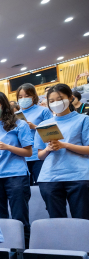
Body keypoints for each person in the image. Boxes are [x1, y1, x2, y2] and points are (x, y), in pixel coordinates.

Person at [0, 91, 33, 245]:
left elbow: (28, 152)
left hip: (16, 175)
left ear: (3, 105)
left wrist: (7, 147)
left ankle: (23, 253)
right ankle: (4, 252)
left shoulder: (20, 125)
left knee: (19, 217)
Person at [36, 84, 89, 219]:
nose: (55, 103)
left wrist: (65, 145)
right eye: (51, 101)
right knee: (56, 220)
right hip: (50, 178)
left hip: (79, 176)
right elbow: (40, 155)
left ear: (70, 98)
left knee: (82, 218)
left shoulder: (83, 120)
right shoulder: (44, 125)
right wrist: (48, 148)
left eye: (59, 99)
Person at [16, 83, 54, 185]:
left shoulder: (44, 111)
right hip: (22, 156)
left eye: (27, 96)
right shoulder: (15, 116)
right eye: (20, 97)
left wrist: (35, 127)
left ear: (33, 96)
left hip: (39, 154)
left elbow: (52, 132)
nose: (23, 99)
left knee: (42, 186)